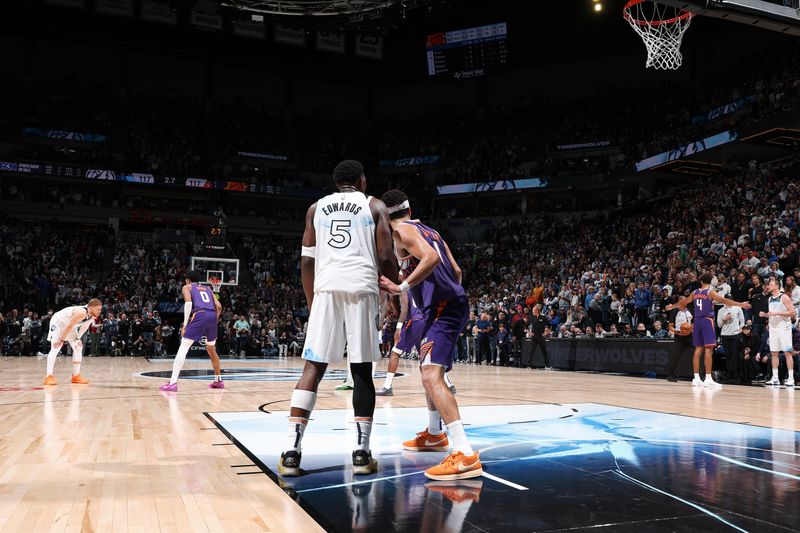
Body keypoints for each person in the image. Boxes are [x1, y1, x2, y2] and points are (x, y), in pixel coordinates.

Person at [279, 160, 399, 477]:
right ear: (361, 181)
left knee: (313, 368)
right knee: (361, 370)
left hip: (326, 289)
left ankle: (292, 451)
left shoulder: (315, 208)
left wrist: (312, 299)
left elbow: (306, 262)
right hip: (361, 288)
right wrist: (395, 293)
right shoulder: (374, 205)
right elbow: (386, 257)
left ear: (336, 183)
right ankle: (361, 452)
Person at [379, 188, 482, 481]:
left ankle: (464, 453)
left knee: (430, 375)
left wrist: (402, 288)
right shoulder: (430, 230)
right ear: (409, 209)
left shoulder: (401, 231)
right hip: (444, 306)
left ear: (387, 219)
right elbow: (457, 271)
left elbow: (430, 260)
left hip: (443, 308)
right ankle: (435, 434)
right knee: (427, 369)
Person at [667, 272, 751, 389]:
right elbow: (725, 301)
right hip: (707, 321)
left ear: (701, 281)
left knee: (698, 350)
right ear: (711, 282)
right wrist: (741, 304)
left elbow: (683, 302)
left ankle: (696, 378)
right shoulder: (710, 292)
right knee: (708, 350)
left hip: (697, 321)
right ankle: (708, 378)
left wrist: (672, 306)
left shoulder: (695, 292)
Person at [159, 271, 224, 391]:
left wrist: (185, 324)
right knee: (211, 349)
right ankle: (218, 381)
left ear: (188, 280)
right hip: (212, 316)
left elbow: (188, 304)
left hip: (200, 314)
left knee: (183, 346)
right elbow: (219, 306)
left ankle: (173, 383)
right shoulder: (208, 289)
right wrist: (213, 319)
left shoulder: (187, 287)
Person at [43, 298, 103, 385]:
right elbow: (69, 326)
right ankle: (48, 376)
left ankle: (76, 376)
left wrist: (78, 338)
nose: (99, 311)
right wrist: (61, 340)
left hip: (70, 326)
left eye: (100, 309)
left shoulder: (93, 315)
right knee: (56, 347)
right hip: (58, 322)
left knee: (78, 347)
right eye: (98, 309)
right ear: (90, 308)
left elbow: (84, 326)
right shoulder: (81, 312)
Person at [761, 277, 796, 386]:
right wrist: (765, 315)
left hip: (784, 328)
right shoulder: (770, 298)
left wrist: (778, 314)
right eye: (769, 285)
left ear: (777, 286)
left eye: (771, 285)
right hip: (773, 328)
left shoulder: (784, 297)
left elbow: (792, 313)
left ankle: (791, 378)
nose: (769, 286)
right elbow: (772, 313)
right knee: (774, 353)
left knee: (787, 353)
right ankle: (775, 378)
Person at [717, 301, 745, 383]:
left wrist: (740, 328)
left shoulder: (737, 308)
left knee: (735, 355)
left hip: (735, 334)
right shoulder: (721, 310)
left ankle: (736, 375)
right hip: (725, 335)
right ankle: (729, 374)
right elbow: (719, 325)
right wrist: (724, 319)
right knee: (728, 356)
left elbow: (742, 320)